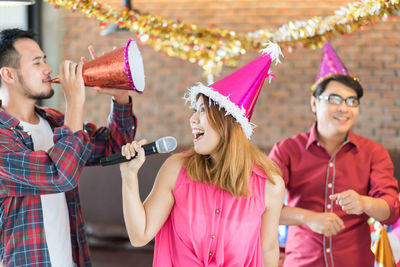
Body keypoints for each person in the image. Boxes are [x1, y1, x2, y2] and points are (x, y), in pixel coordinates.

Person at [119, 44, 285, 266]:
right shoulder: (176, 168)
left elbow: (269, 248)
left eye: (203, 111)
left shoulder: (270, 185)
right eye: (194, 110)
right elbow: (140, 236)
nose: (193, 119)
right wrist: (129, 177)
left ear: (228, 123)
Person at [0, 28, 137, 266]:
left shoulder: (54, 122)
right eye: (37, 63)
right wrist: (75, 102)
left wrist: (120, 96)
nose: (48, 69)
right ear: (8, 75)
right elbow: (60, 176)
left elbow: (116, 147)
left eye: (44, 59)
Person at [268, 42, 400, 267]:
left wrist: (365, 203)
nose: (344, 108)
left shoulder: (373, 152)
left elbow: (392, 211)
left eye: (352, 101)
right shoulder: (286, 150)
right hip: (302, 262)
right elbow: (262, 207)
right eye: (335, 99)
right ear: (314, 103)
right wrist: (308, 218)